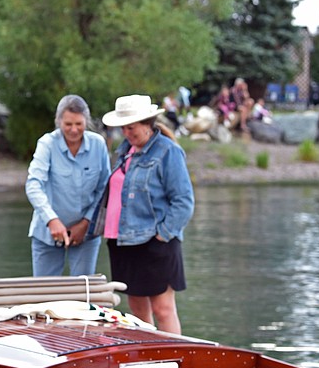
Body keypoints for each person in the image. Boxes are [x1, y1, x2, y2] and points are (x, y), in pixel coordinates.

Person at [93, 94, 194, 334]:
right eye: (123, 128)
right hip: (122, 241)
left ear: (147, 123)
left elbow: (183, 201)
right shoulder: (124, 151)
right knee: (137, 310)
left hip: (155, 242)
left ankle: (172, 357)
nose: (127, 133)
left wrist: (162, 235)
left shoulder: (168, 152)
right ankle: (147, 357)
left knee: (163, 309)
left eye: (131, 127)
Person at [25, 95, 110, 277]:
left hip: (86, 232)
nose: (73, 130)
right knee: (44, 294)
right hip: (47, 232)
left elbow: (104, 189)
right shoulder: (47, 143)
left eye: (79, 124)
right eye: (68, 124)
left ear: (86, 122)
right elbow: (33, 184)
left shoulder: (98, 144)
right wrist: (51, 220)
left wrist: (86, 223)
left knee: (83, 292)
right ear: (58, 122)